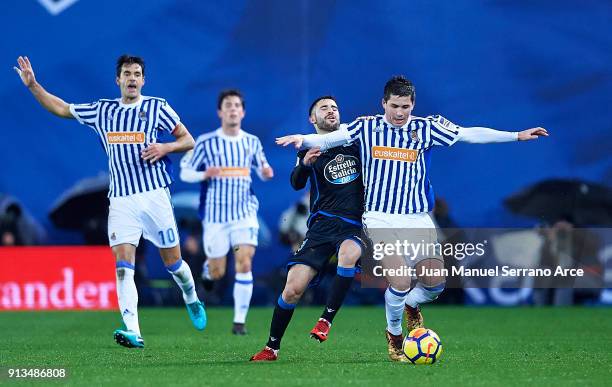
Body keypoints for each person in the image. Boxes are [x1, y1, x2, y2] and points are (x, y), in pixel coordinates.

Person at [276, 76, 548, 361]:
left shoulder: (426, 128)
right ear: (384, 103)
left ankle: (411, 306)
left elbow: (469, 133)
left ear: (413, 104)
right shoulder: (367, 127)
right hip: (379, 219)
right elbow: (332, 137)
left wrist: (516, 135)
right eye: (394, 106)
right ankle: (394, 335)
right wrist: (303, 139)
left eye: (405, 106)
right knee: (401, 280)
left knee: (434, 284)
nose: (399, 113)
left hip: (417, 218)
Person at [14, 55, 206, 348]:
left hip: (154, 196)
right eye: (127, 73)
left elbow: (188, 140)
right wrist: (33, 85)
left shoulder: (157, 107)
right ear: (118, 80)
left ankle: (191, 298)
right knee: (122, 265)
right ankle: (134, 331)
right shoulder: (103, 111)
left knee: (174, 264)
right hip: (121, 200)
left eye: (137, 74)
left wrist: (165, 146)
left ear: (143, 80)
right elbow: (63, 108)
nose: (132, 78)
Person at [250, 96, 365, 361]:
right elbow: (295, 182)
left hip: (354, 223)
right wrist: (304, 165)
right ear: (313, 119)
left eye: (335, 107)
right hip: (321, 226)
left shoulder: (354, 139)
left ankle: (326, 319)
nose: (331, 111)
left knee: (348, 255)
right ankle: (271, 347)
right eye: (324, 108)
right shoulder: (309, 149)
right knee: (293, 288)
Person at [180, 89, 273, 335]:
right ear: (220, 112)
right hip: (215, 217)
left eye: (236, 105)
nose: (232, 109)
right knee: (219, 270)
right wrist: (203, 174)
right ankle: (209, 272)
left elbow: (262, 167)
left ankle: (239, 322)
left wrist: (265, 172)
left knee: (244, 262)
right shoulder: (206, 142)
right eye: (227, 105)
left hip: (244, 212)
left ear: (242, 112)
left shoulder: (251, 142)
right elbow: (185, 172)